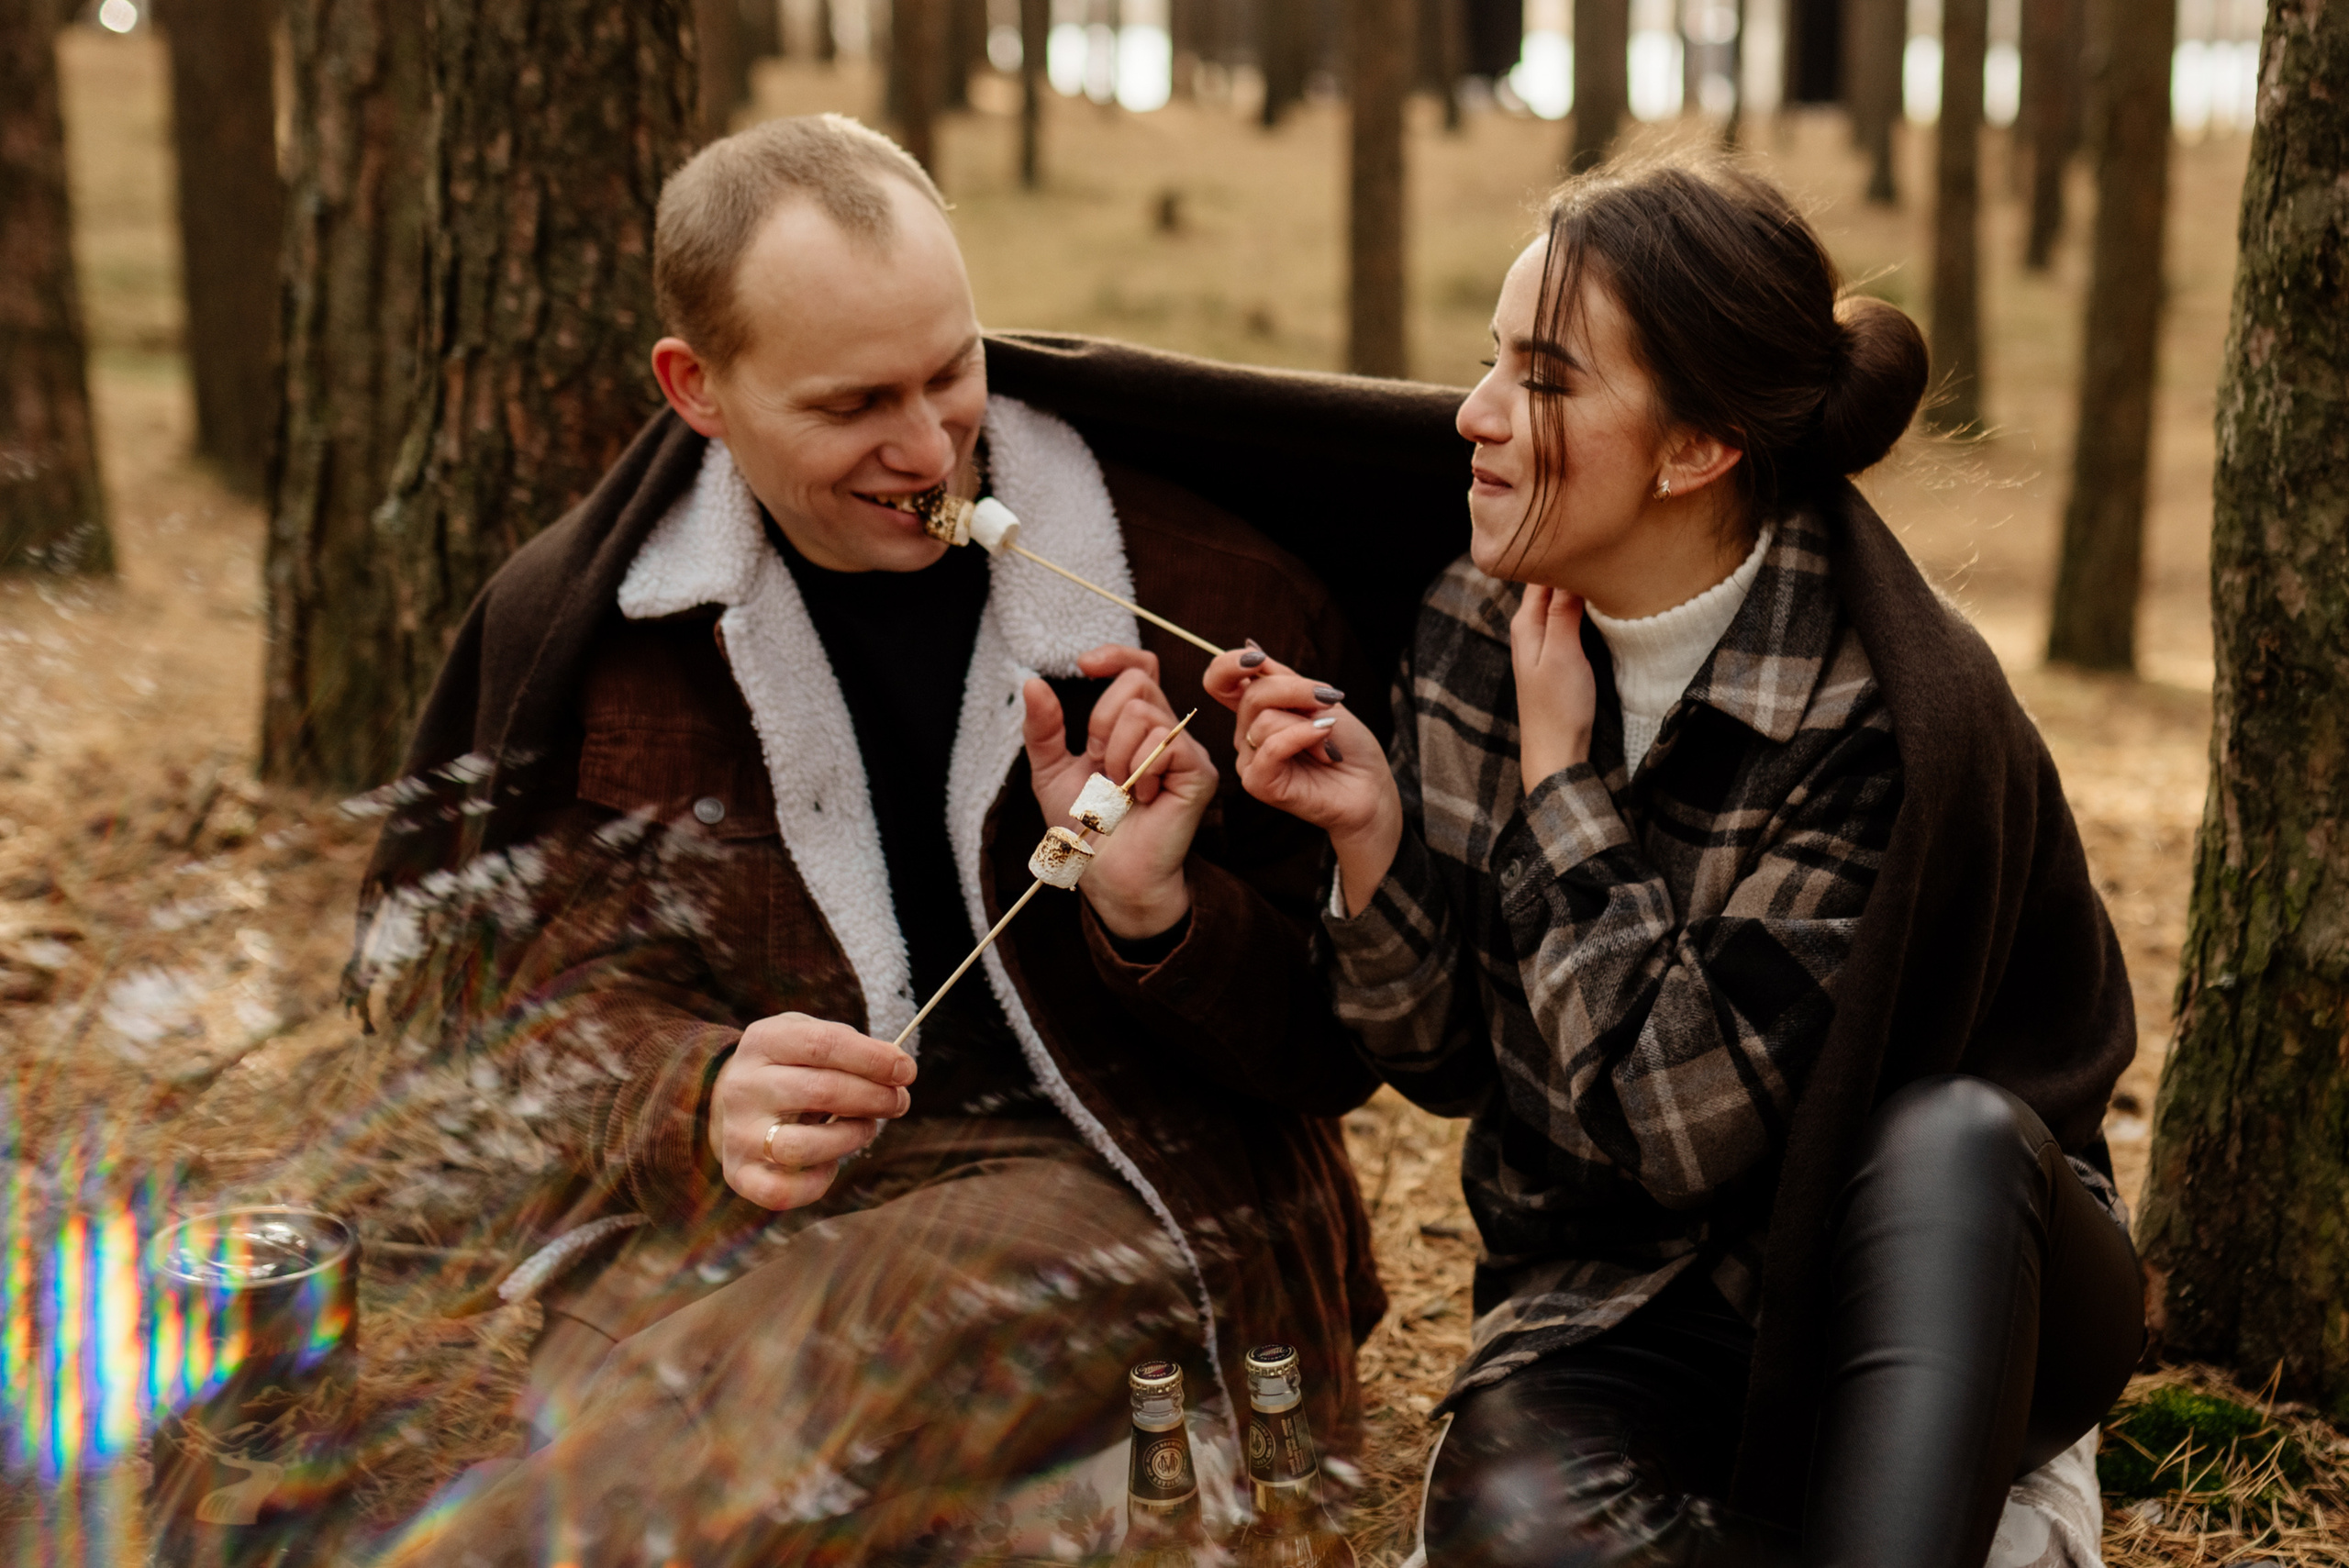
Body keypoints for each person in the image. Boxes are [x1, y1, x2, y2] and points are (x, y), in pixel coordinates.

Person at [349, 114, 1392, 1566]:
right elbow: (520, 1017)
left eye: (950, 372)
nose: (926, 446)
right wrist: (696, 1091)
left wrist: (1160, 914)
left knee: (727, 1416)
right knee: (642, 1403)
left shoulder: (1207, 589)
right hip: (777, 1221)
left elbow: (1336, 1049)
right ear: (696, 388)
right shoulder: (604, 632)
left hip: (1132, 1189)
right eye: (853, 407)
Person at [1209, 156, 2145, 1567]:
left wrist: (1564, 785)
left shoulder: (1878, 718)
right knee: (1507, 1524)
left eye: (1541, 379)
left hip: (1943, 1280)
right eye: (1487, 362)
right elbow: (1456, 1063)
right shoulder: (1478, 619)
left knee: (1944, 1137)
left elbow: (1685, 1129)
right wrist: (1373, 839)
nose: (1472, 417)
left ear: (1694, 448)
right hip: (1613, 1295)